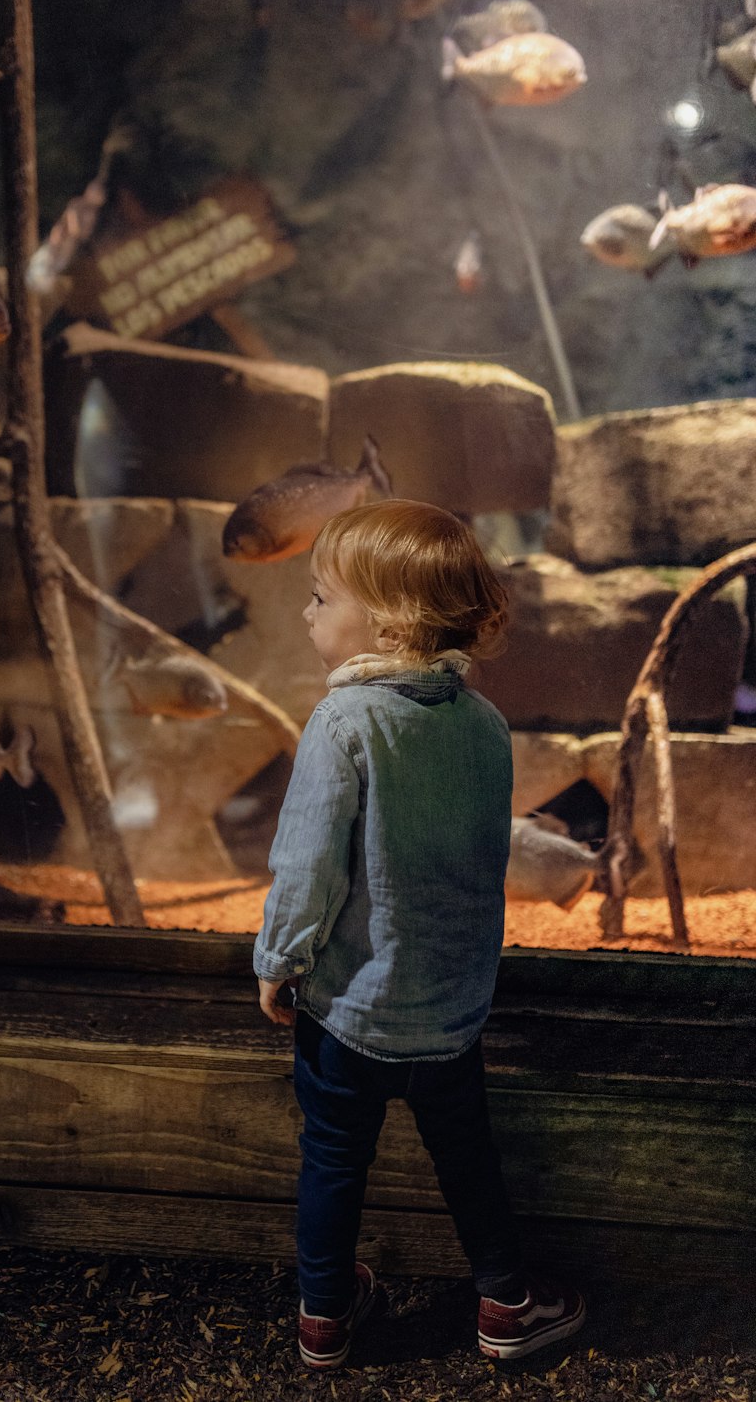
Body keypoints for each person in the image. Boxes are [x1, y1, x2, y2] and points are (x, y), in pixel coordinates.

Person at [254, 499, 586, 1370]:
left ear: (391, 622)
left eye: (322, 596)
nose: (307, 612)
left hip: (347, 1014)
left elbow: (305, 866)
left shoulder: (342, 724)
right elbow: (478, 869)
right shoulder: (486, 727)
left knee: (332, 1160)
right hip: (449, 1017)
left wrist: (280, 960)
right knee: (469, 1162)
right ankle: (506, 1306)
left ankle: (323, 1318)